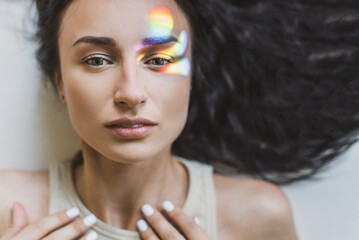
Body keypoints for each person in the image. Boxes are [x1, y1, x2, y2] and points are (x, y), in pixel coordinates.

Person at [4, 0, 358, 239]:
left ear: (194, 75)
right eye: (97, 60)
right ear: (60, 80)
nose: (130, 92)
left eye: (159, 59)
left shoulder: (257, 217)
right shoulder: (10, 206)